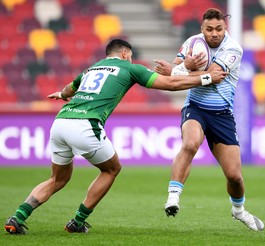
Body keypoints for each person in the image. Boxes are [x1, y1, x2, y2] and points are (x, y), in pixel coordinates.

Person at [4, 38, 227, 235]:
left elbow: (69, 89)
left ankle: (17, 217)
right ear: (124, 54)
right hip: (86, 124)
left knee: (57, 179)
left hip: (61, 122)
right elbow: (170, 84)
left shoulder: (93, 68)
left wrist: (61, 95)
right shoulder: (130, 68)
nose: (130, 59)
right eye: (129, 56)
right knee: (111, 169)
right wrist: (207, 78)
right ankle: (77, 222)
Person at [153, 8, 264, 231]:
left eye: (219, 29)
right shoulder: (192, 42)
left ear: (225, 28)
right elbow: (172, 72)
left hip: (222, 113)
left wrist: (178, 71)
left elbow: (211, 77)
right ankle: (173, 196)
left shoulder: (233, 48)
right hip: (195, 107)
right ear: (202, 29)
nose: (214, 34)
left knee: (234, 176)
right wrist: (182, 67)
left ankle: (239, 211)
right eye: (209, 29)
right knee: (190, 143)